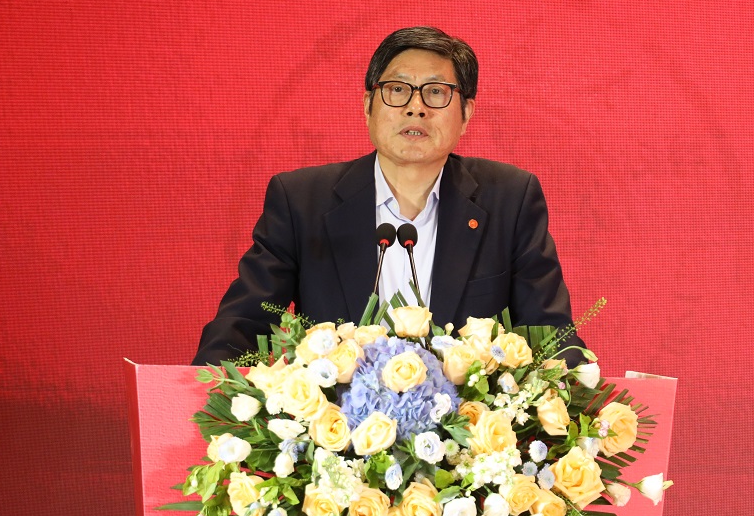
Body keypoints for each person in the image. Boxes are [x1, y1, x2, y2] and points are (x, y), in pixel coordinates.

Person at [194, 27, 584, 365]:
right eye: (397, 90)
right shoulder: (302, 201)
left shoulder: (509, 200)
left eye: (436, 92)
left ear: (466, 113)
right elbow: (243, 322)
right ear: (368, 105)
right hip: (335, 423)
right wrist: (205, 396)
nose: (415, 108)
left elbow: (550, 334)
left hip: (467, 423)